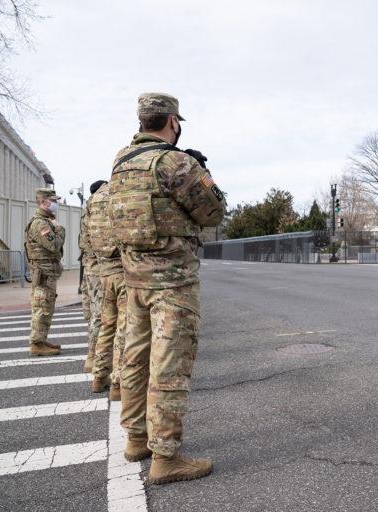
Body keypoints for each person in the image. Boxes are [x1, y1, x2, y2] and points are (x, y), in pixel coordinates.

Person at [109, 92, 225, 485]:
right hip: (172, 283)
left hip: (133, 280)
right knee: (169, 367)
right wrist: (203, 174)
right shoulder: (175, 162)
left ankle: (136, 439)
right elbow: (212, 211)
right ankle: (166, 458)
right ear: (172, 121)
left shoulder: (121, 162)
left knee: (135, 358)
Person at [87, 181, 127, 400]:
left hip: (104, 270)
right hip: (123, 270)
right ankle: (118, 383)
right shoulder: (119, 193)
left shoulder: (94, 200)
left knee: (107, 325)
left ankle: (99, 375)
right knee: (124, 327)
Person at [25, 189, 66, 356]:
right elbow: (54, 245)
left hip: (46, 272)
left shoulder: (46, 221)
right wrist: (60, 230)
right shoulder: (40, 223)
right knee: (42, 308)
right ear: (43, 202)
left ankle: (41, 340)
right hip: (43, 273)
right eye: (53, 200)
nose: (56, 203)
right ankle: (36, 344)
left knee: (45, 307)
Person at [79, 180, 108, 372]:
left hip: (89, 266)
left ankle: (92, 357)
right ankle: (94, 358)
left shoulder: (88, 209)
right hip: (100, 267)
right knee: (101, 314)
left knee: (93, 312)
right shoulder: (100, 207)